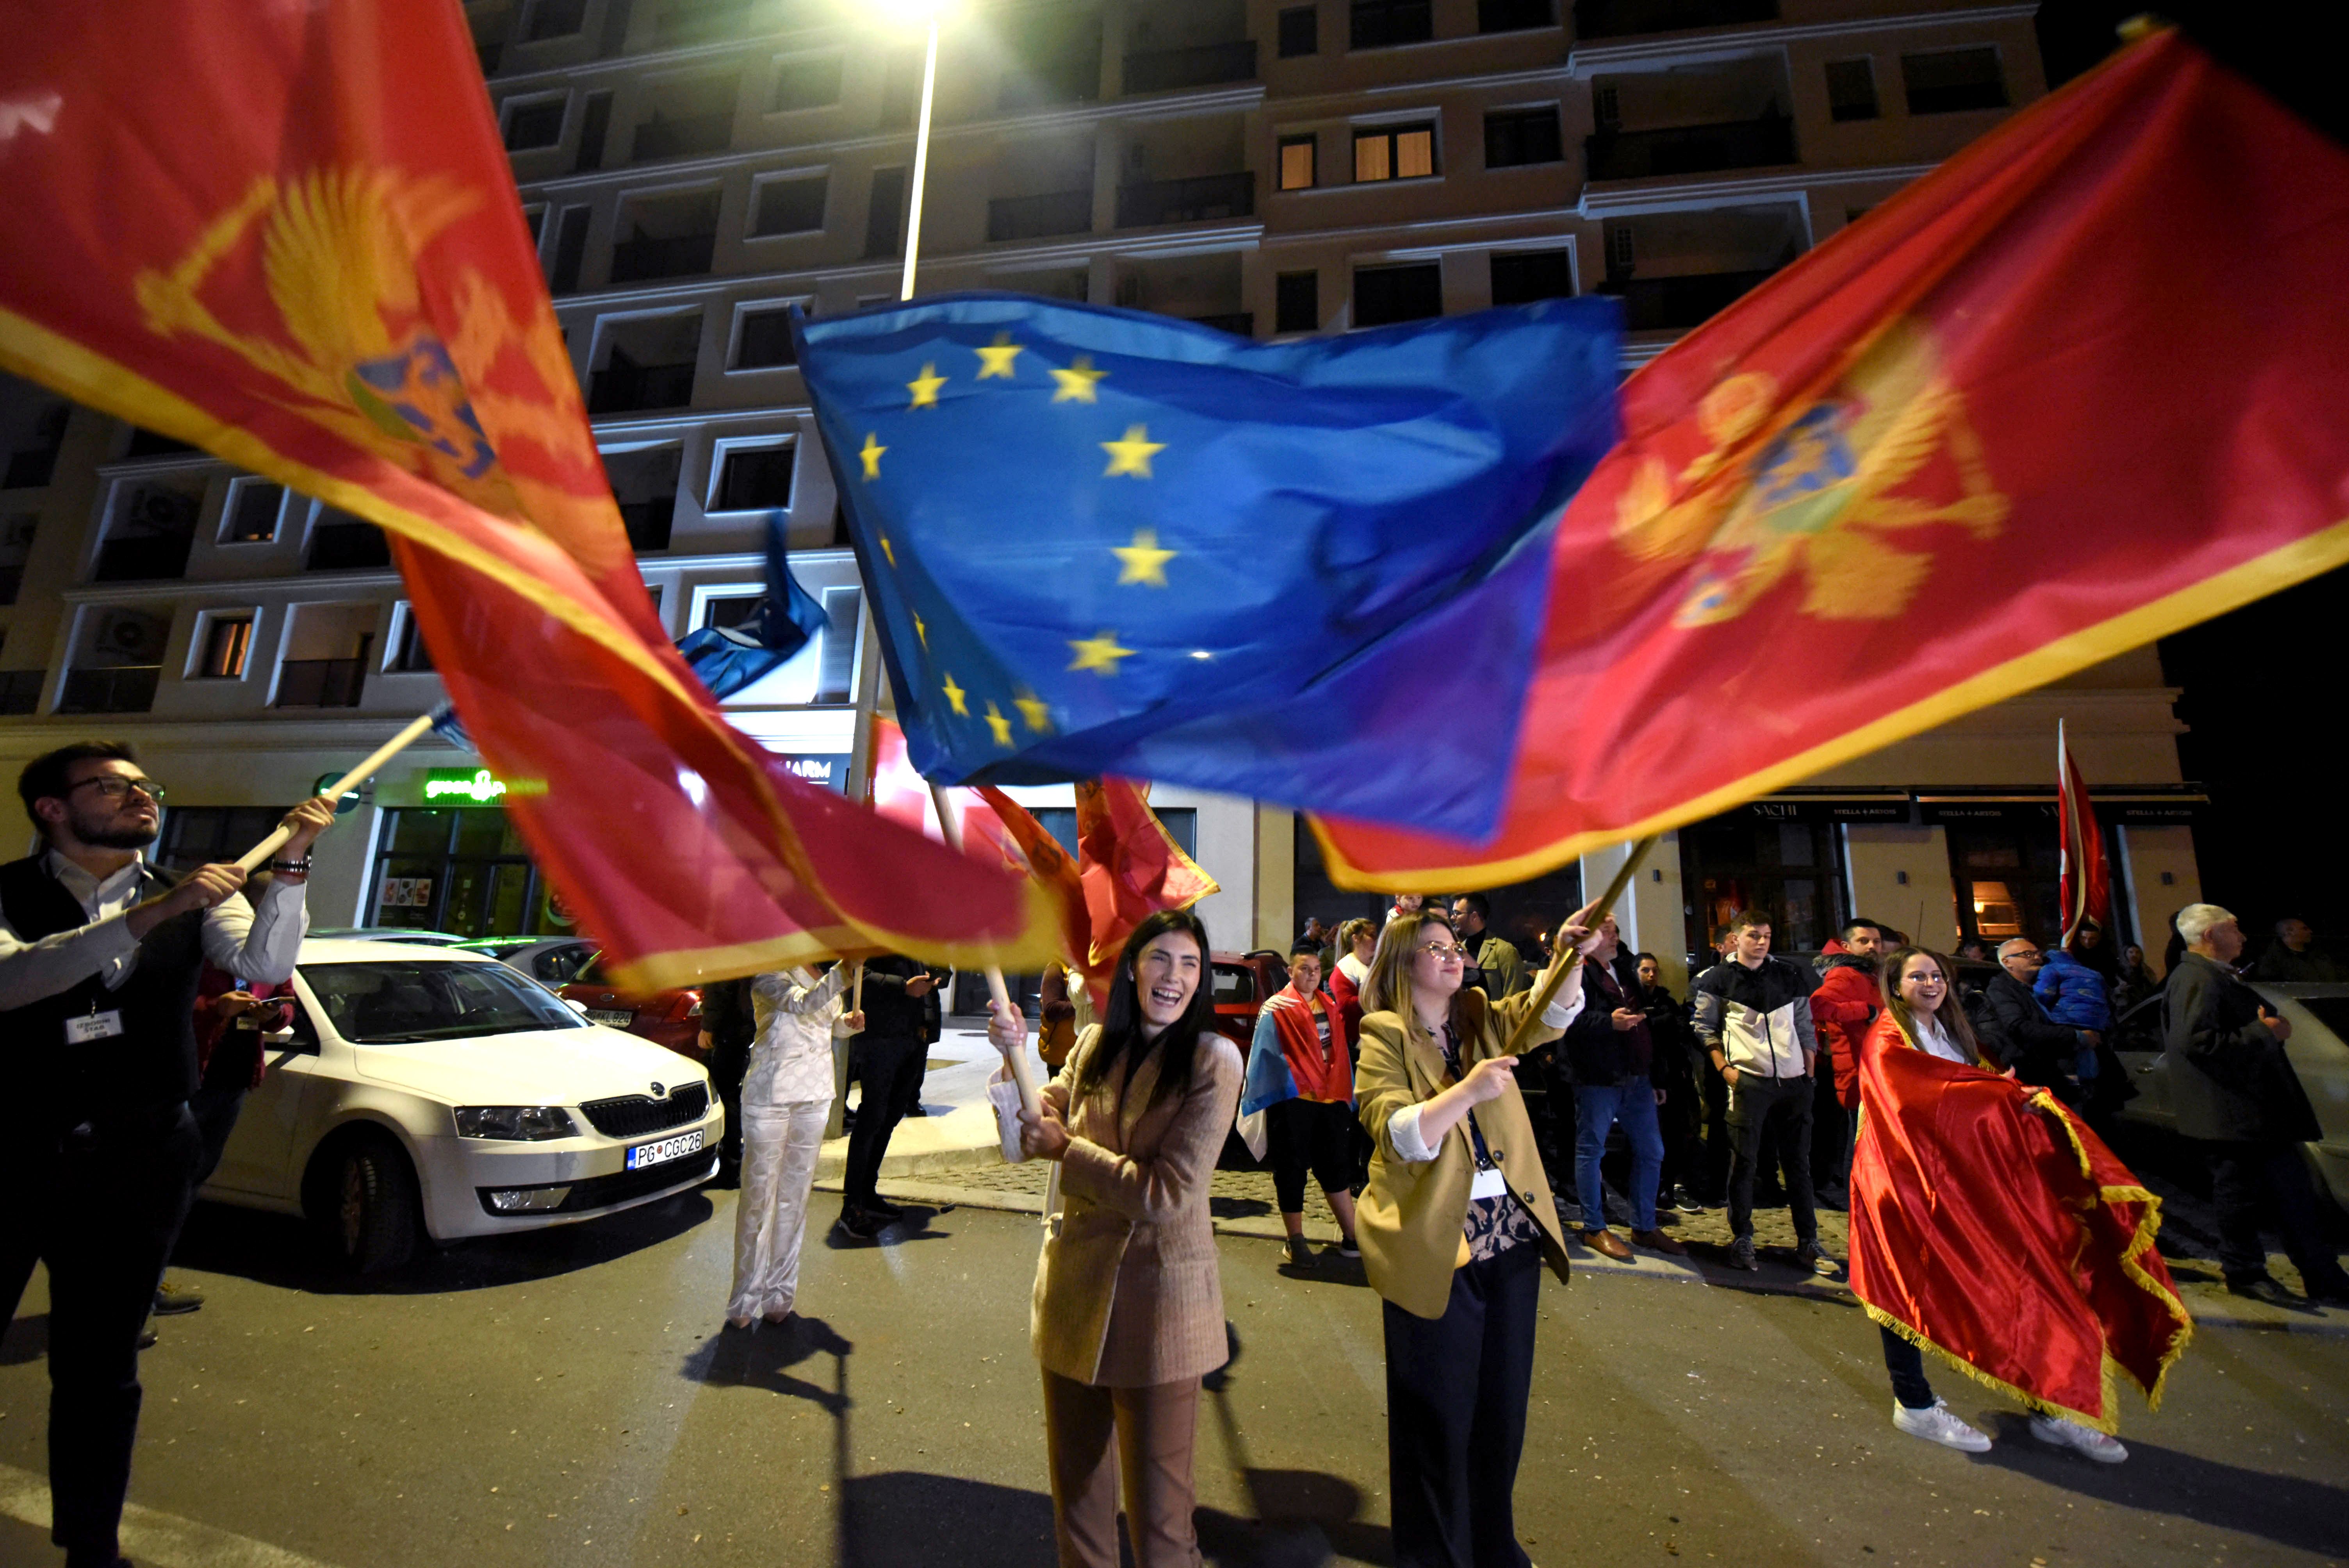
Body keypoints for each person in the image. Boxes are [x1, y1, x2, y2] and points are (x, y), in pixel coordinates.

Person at [0, 742, 335, 1568]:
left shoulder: (187, 894)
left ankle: (91, 1544)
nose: (141, 798)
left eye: (145, 787)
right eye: (113, 788)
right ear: (52, 807)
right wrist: (150, 916)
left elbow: (263, 963)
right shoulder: (12, 892)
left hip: (140, 1153)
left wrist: (290, 866)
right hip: (13, 1142)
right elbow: (13, 982)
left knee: (101, 1366)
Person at [989, 909, 1242, 1568]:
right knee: (1078, 1510)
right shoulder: (1095, 1042)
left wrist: (1068, 1152)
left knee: (1161, 1528)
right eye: (1161, 958)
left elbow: (1168, 1194)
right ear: (1134, 967)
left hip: (1161, 1315)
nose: (1175, 977)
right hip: (1073, 1298)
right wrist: (1012, 1056)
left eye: (1190, 965)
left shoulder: (1214, 1061)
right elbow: (1034, 1122)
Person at [1850, 946, 2167, 1462]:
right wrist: (2001, 1094)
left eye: (1937, 975)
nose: (1930, 983)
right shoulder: (1888, 1038)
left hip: (1967, 1182)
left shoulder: (1954, 1032)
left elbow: (1973, 1086)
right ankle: (1915, 1403)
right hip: (1902, 1183)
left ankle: (2049, 1405)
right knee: (1902, 1287)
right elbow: (1921, 1099)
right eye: (1917, 976)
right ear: (1895, 984)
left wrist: (2010, 1094)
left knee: (2027, 1278)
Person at [1356, 902, 1597, 1568]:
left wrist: (1570, 955)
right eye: (1434, 948)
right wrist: (1463, 1091)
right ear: (1402, 967)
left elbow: (1549, 1014)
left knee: (1499, 1418)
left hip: (1510, 1242)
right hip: (1437, 1248)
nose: (1451, 954)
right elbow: (1395, 1129)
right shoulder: (1383, 1033)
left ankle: (1492, 1547)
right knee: (1435, 1421)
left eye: (1453, 944)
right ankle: (1435, 1555)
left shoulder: (1480, 1016)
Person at [2163, 903, 2349, 1308]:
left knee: (2293, 1197)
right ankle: (2246, 1273)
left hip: (2256, 1115)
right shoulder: (2195, 977)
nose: (2243, 936)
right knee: (2241, 1200)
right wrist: (2263, 1032)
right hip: (2232, 1116)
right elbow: (2196, 1043)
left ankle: (2323, 1275)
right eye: (2234, 928)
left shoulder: (2211, 975)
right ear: (2210, 934)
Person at [1691, 910, 1834, 1275]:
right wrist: (1725, 1069)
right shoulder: (1718, 978)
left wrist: (1808, 1068)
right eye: (1754, 935)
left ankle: (1808, 1241)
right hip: (1750, 1081)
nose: (1762, 941)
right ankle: (1743, 1239)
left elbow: (1804, 1022)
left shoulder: (1788, 974)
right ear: (1737, 938)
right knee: (1744, 1164)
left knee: (1798, 1165)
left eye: (1767, 935)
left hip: (1793, 1081)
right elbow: (1703, 1026)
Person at [730, 963, 863, 1327]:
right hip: (770, 1095)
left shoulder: (825, 973)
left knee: (795, 1197)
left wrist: (846, 1026)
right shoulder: (769, 973)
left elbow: (825, 1022)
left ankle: (779, 1293)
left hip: (816, 1094)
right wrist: (842, 974)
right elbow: (801, 1003)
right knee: (759, 1198)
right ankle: (745, 1297)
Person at [1556, 919, 1680, 1259]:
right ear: (1589, 937)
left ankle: (1644, 1226)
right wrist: (1609, 1022)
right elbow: (1565, 1019)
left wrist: (1656, 1075)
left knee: (1652, 1150)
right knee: (1592, 1150)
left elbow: (1645, 1023)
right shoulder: (1575, 970)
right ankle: (1594, 1227)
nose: (1615, 937)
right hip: (1598, 1076)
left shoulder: (1624, 968)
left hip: (1636, 1076)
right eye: (1607, 932)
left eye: (1616, 932)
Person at [1242, 939, 1360, 1266]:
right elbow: (1262, 1059)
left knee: (1337, 1167)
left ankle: (1352, 1236)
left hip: (1330, 1101)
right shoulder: (1276, 1009)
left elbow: (1339, 1053)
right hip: (1293, 1102)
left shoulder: (1330, 1005)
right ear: (1290, 972)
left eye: (1316, 970)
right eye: (1304, 970)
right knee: (1292, 1170)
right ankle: (1296, 1240)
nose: (1311, 975)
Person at [836, 955, 938, 1238]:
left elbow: (926, 974)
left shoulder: (912, 933)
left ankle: (868, 1193)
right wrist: (904, 986)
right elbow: (859, 975)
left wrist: (937, 971)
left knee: (890, 1117)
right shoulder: (873, 928)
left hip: (911, 1035)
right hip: (879, 1036)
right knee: (872, 1118)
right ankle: (852, 1203)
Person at [1811, 918, 1886, 1205]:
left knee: (1857, 1137)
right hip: (1857, 1069)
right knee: (1857, 1140)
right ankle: (1854, 1199)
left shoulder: (1867, 974)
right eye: (1864, 941)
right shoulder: (1846, 973)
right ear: (1846, 946)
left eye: (1876, 942)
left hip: (1870, 1068)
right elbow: (1817, 1005)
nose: (1871, 947)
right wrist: (1865, 1011)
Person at [1976, 938, 2096, 1102]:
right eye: (2027, 954)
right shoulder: (2001, 990)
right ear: (2007, 962)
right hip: (2031, 1072)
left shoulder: (2043, 986)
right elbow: (2019, 1028)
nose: (2037, 958)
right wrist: (2077, 1036)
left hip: (2054, 1069)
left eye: (2037, 953)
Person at [1635, 952, 1705, 1215]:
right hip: (1646, 1076)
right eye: (1645, 970)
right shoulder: (1632, 1001)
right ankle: (1651, 1189)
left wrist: (1655, 1022)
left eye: (1654, 970)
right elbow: (1643, 1032)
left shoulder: (1666, 1001)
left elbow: (1680, 1029)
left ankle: (1672, 1185)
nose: (1651, 975)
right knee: (1649, 1137)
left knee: (1677, 1133)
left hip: (1672, 1075)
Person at [2036, 924, 2114, 1097]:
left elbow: (2043, 994)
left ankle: (2078, 1092)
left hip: (2068, 1020)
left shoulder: (2051, 968)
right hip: (2097, 1024)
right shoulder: (2093, 972)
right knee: (2090, 1059)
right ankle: (2091, 1089)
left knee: (2073, 1065)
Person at [697, 975, 756, 1188]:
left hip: (730, 1030)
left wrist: (709, 1026)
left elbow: (720, 989)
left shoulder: (723, 950)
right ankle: (734, 1162)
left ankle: (730, 1164)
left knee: (725, 1095)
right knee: (734, 1094)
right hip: (745, 1027)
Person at [1450, 893, 1524, 998]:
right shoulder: (1458, 951)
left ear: (1474, 917)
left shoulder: (1504, 951)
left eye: (1457, 913)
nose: (1452, 917)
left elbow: (1513, 998)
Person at [2253, 917, 2344, 983]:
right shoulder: (2272, 960)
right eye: (2304, 929)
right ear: (2289, 932)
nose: (2310, 932)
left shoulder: (2320, 956)